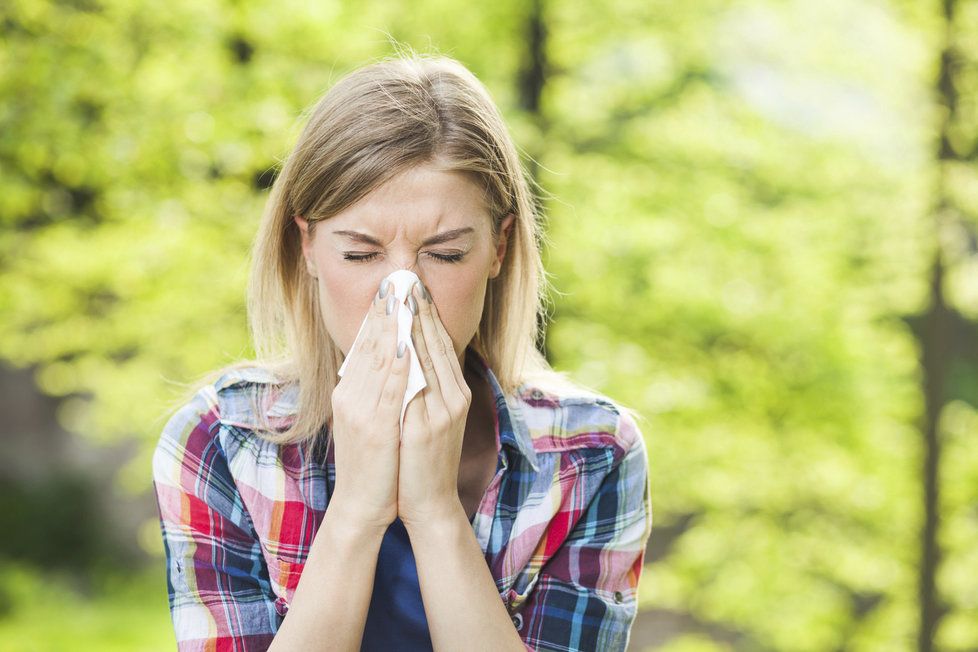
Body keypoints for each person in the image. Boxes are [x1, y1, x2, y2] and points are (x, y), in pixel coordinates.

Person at [151, 50, 653, 652]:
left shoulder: (593, 453)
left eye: (444, 254)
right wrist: (359, 509)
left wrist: (436, 511)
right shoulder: (220, 441)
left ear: (498, 248)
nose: (403, 294)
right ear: (306, 245)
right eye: (360, 254)